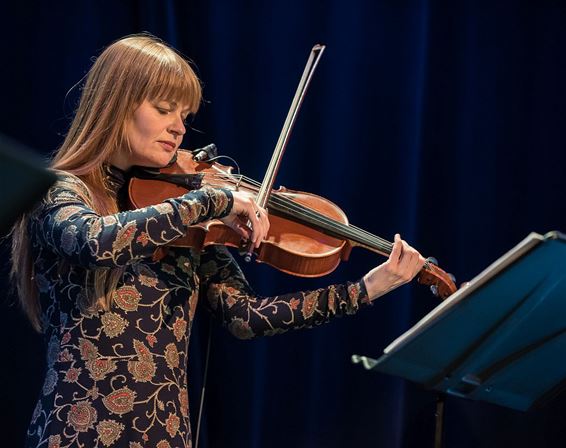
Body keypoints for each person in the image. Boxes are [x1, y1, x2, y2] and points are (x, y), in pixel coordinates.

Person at [10, 34, 425, 448]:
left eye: (185, 115)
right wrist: (214, 200)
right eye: (163, 109)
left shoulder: (184, 221)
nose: (179, 128)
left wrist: (368, 289)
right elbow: (94, 242)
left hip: (164, 435)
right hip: (76, 431)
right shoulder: (61, 191)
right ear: (117, 102)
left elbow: (246, 318)